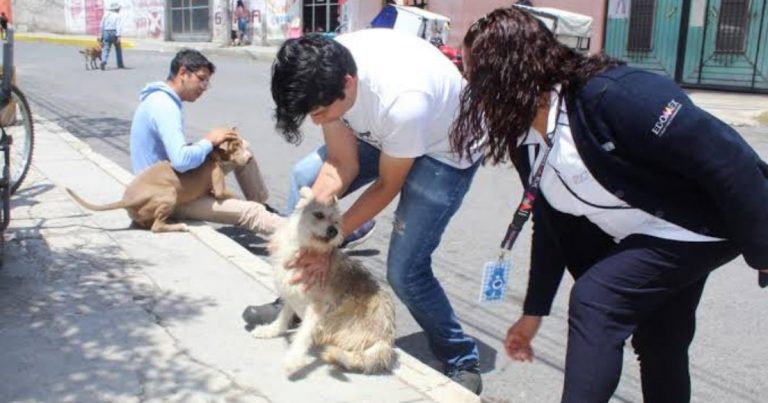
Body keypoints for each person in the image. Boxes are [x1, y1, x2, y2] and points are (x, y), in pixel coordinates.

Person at [452, 6, 768, 403]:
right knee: (661, 340)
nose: (468, 85)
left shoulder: (613, 95)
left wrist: (763, 250)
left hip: (702, 223)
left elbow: (727, 158)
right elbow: (550, 223)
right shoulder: (525, 139)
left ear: (508, 74)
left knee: (596, 301)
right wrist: (533, 312)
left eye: (473, 73)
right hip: (647, 232)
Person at [258, 30, 484, 394]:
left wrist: (328, 242)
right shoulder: (327, 68)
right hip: (384, 132)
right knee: (305, 177)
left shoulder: (403, 103)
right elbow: (340, 162)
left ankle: (460, 357)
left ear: (348, 84)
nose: (316, 121)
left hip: (445, 149)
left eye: (320, 113)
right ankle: (296, 294)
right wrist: (300, 238)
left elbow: (387, 185)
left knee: (405, 270)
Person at [129, 48, 282, 235]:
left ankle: (261, 204)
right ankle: (300, 233)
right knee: (251, 212)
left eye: (207, 82)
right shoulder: (165, 106)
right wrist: (209, 140)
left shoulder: (160, 98)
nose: (204, 87)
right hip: (168, 197)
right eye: (201, 79)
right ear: (183, 73)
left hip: (176, 182)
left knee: (243, 148)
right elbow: (181, 160)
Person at [99, 2, 125, 70]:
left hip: (106, 32)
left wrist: (101, 36)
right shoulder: (117, 16)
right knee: (118, 48)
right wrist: (119, 36)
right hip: (114, 32)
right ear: (116, 9)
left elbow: (101, 26)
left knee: (106, 48)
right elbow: (118, 26)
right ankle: (120, 64)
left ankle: (103, 61)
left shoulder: (105, 15)